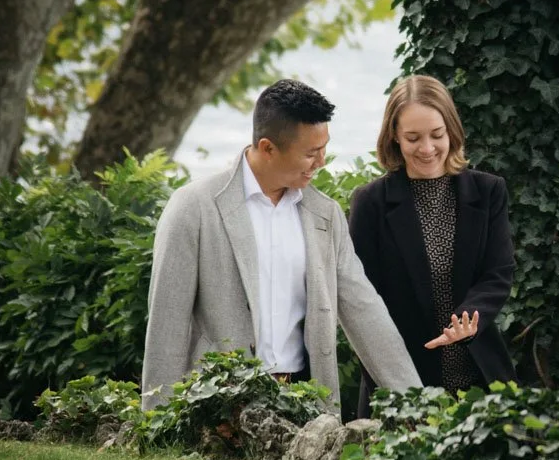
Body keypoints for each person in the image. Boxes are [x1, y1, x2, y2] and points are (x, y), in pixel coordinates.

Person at [141, 78, 421, 410]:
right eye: (311, 153)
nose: (321, 161)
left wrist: (416, 404)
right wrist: (157, 424)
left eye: (325, 147)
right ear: (267, 148)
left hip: (307, 402)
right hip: (217, 407)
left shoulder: (326, 215)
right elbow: (167, 326)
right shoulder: (192, 207)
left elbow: (365, 311)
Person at [349, 74, 515, 415]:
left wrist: (468, 320)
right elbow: (361, 297)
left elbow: (498, 271)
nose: (427, 149)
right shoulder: (370, 202)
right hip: (400, 383)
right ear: (394, 136)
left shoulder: (489, 191)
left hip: (479, 380)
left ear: (451, 130)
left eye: (436, 135)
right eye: (413, 138)